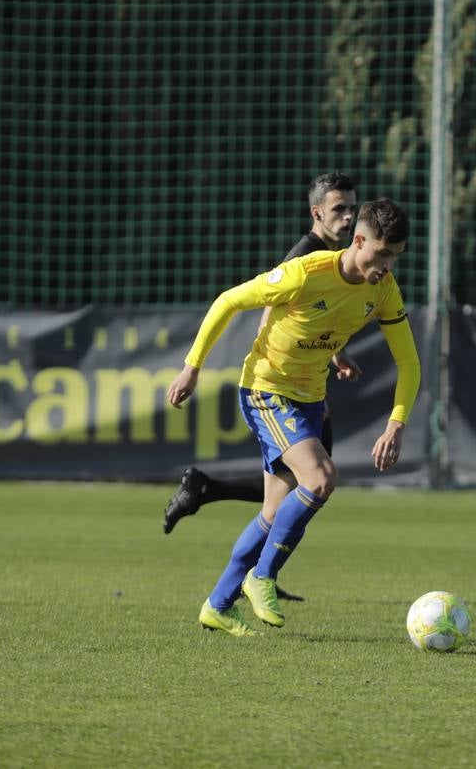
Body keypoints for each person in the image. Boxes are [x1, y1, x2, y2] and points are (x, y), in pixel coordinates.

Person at [168, 198, 420, 637]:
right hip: (266, 390)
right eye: (381, 253)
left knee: (273, 511)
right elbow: (228, 301)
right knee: (321, 478)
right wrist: (193, 365)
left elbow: (410, 363)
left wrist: (395, 423)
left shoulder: (383, 289)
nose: (386, 265)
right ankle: (261, 577)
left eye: (395, 255)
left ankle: (218, 605)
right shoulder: (306, 272)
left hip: (309, 399)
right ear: (358, 240)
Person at [161, 172, 363, 545]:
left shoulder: (335, 257)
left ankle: (210, 496)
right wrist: (193, 368)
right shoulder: (304, 257)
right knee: (310, 480)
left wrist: (337, 353)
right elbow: (269, 318)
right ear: (316, 212)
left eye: (352, 208)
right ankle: (256, 568)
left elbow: (312, 322)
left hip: (302, 383)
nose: (348, 217)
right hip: (283, 388)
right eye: (339, 209)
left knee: (294, 486)